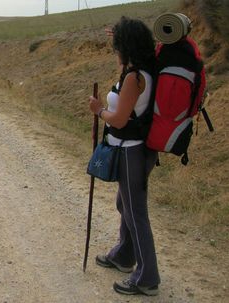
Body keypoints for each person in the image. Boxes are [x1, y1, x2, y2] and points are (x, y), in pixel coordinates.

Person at [88, 16, 160, 296]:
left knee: (135, 212)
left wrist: (98, 110)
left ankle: (147, 278)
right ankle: (124, 255)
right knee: (125, 204)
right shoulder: (141, 72)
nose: (114, 48)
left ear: (126, 45)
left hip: (131, 152)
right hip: (135, 151)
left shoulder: (134, 77)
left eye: (117, 43)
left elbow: (118, 119)